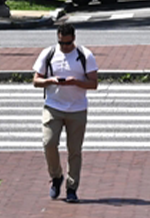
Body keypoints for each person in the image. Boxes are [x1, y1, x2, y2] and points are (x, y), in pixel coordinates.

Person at [33, 24, 98, 204]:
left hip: (77, 108)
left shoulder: (85, 55)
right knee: (49, 143)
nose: (65, 47)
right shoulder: (49, 54)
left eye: (68, 43)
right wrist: (49, 81)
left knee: (74, 151)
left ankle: (72, 188)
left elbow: (93, 83)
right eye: (62, 43)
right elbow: (36, 81)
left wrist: (76, 82)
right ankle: (56, 177)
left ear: (74, 39)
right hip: (53, 106)